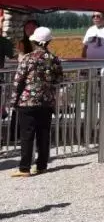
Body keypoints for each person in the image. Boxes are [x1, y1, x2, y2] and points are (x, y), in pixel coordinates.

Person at [8, 27, 63, 177]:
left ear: (35, 41)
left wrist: (13, 101)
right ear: (48, 41)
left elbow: (18, 81)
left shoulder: (28, 58)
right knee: (43, 134)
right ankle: (42, 166)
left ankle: (24, 168)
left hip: (27, 102)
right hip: (46, 102)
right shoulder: (54, 59)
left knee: (27, 135)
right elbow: (59, 79)